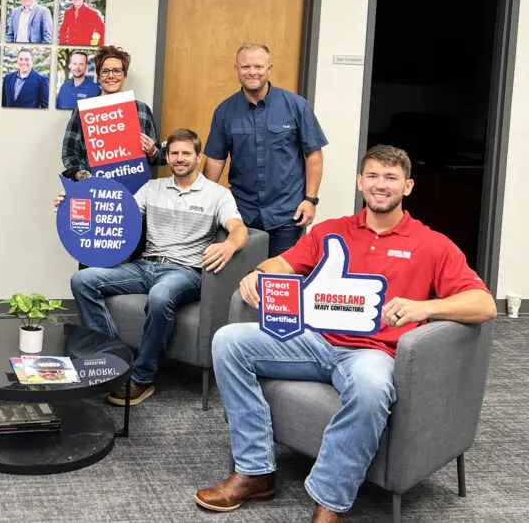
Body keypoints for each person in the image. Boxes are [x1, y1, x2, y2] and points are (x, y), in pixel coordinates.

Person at [194, 145, 495, 522]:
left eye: (391, 178)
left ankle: (330, 501)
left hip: (373, 354)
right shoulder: (331, 231)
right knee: (228, 341)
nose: (380, 185)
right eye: (372, 176)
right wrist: (261, 272)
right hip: (314, 340)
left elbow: (484, 304)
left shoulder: (432, 244)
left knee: (372, 389)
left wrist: (426, 307)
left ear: (408, 187)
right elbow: (284, 263)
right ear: (360, 182)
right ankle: (255, 472)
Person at [59, 129, 248, 405]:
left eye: (186, 153)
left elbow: (239, 230)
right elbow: (114, 213)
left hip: (185, 272)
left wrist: (229, 245)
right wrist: (70, 203)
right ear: (167, 157)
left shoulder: (217, 195)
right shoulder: (152, 188)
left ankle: (143, 378)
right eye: (174, 153)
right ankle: (114, 359)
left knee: (160, 296)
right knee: (83, 280)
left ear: (199, 157)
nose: (180, 159)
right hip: (145, 266)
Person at [203, 43, 328, 258]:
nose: (252, 72)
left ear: (269, 69)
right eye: (245, 67)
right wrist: (203, 202)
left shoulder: (296, 105)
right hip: (241, 213)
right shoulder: (224, 111)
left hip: (288, 212)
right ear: (237, 69)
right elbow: (215, 160)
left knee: (279, 280)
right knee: (239, 280)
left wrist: (311, 200)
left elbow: (313, 156)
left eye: (259, 66)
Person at [61, 45, 161, 181]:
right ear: (98, 75)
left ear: (124, 74)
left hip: (135, 191)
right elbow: (69, 153)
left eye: (117, 71)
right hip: (95, 190)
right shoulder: (83, 110)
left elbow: (158, 158)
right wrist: (84, 176)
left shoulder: (142, 110)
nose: (111, 76)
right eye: (105, 71)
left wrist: (152, 151)